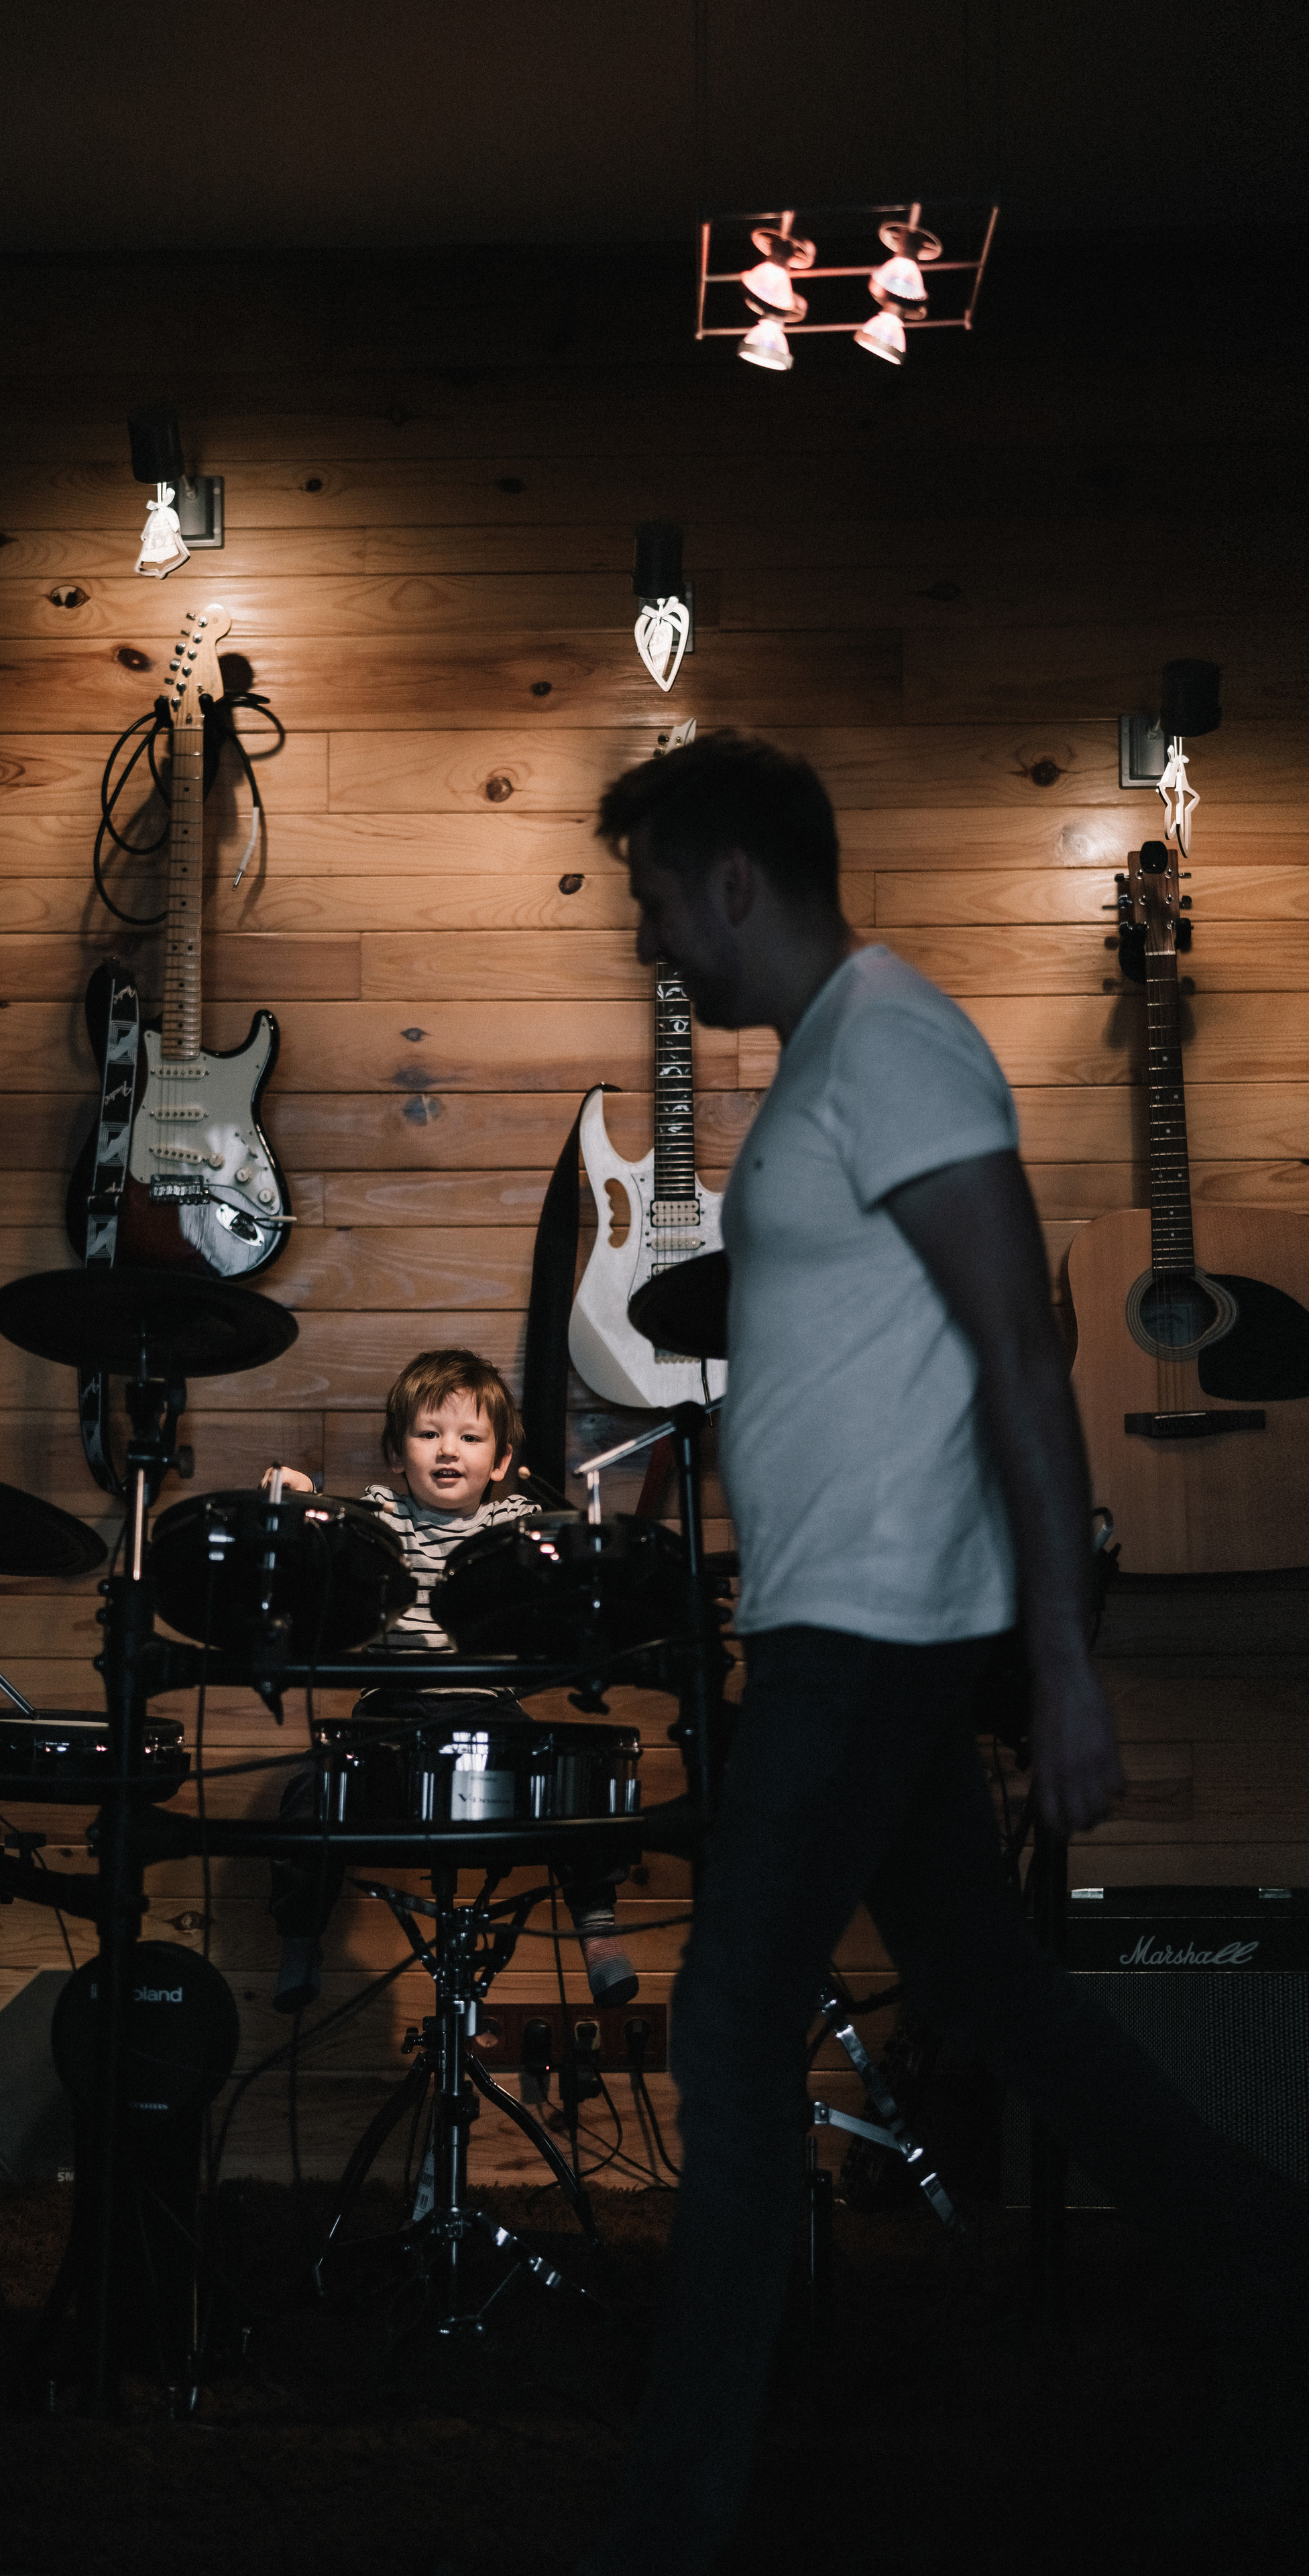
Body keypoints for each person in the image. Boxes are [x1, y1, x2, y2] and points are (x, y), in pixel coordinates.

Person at [571, 731, 1308, 2573]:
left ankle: (674, 2528)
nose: (654, 943)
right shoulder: (830, 1061)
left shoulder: (893, 1041)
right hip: (844, 1622)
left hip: (883, 1633)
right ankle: (1287, 2307)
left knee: (732, 2027)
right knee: (998, 1998)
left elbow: (1024, 1351)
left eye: (659, 901)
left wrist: (1064, 1665)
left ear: (737, 878)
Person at [262, 1346, 638, 2016]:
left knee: (583, 1775)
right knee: (308, 1791)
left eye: (469, 1438)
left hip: (486, 1707)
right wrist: (299, 1497)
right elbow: (330, 1529)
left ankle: (596, 1927)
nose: (447, 1450)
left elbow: (557, 1577)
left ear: (498, 1462)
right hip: (391, 1709)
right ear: (395, 1451)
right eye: (428, 1433)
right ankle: (300, 1936)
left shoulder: (506, 1525)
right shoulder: (381, 1519)